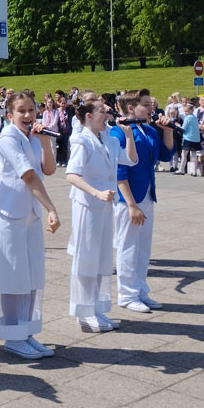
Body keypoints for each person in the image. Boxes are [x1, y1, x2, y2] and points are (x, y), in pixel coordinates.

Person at [0, 90, 60, 359]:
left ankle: (26, 332)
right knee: (14, 276)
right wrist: (51, 208)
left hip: (29, 215)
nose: (28, 115)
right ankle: (13, 337)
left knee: (32, 275)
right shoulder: (8, 138)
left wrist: (45, 141)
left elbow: (48, 169)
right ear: (9, 115)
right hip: (9, 215)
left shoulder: (32, 138)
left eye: (31, 110)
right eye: (21, 111)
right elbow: (28, 175)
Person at [65, 101, 137, 333]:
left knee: (101, 258)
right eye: (102, 111)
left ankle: (96, 308)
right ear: (88, 116)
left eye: (107, 111)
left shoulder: (109, 140)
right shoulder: (81, 140)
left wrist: (129, 135)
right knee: (87, 259)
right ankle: (83, 312)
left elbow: (131, 160)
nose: (107, 114)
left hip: (105, 207)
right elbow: (72, 175)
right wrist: (96, 192)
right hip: (87, 205)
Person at [111, 90, 175, 314]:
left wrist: (168, 130)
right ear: (131, 108)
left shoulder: (149, 130)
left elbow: (165, 156)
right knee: (128, 246)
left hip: (147, 193)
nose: (151, 108)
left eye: (151, 104)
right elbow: (119, 171)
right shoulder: (119, 132)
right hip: (128, 198)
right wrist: (131, 204)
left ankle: (140, 290)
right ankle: (127, 294)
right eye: (146, 105)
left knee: (143, 247)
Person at [176, 104, 201, 175]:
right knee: (194, 155)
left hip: (188, 138)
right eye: (185, 111)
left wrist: (178, 126)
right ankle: (194, 171)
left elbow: (183, 128)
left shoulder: (187, 118)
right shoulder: (194, 118)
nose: (185, 113)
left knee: (184, 154)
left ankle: (181, 169)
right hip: (196, 139)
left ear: (191, 111)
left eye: (187, 111)